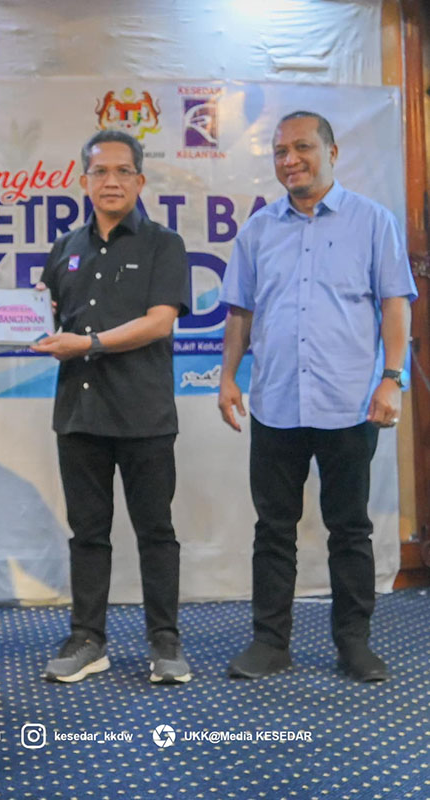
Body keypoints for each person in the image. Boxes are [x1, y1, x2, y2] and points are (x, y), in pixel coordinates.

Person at [219, 110, 416, 683]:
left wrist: (392, 377)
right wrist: (228, 377)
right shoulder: (258, 230)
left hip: (350, 403)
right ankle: (269, 643)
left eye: (302, 148)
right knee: (272, 529)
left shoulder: (373, 222)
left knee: (349, 528)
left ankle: (354, 643)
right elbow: (240, 312)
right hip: (276, 402)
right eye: (280, 151)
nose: (290, 160)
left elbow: (395, 305)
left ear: (332, 152)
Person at [33, 128, 192, 685]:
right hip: (79, 415)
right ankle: (87, 639)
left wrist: (89, 343)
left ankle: (165, 643)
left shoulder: (164, 245)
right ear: (84, 181)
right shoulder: (64, 249)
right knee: (87, 534)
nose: (112, 181)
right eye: (100, 172)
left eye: (124, 171)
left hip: (145, 415)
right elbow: (46, 318)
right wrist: (9, 319)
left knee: (156, 532)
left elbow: (159, 322)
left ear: (140, 180)